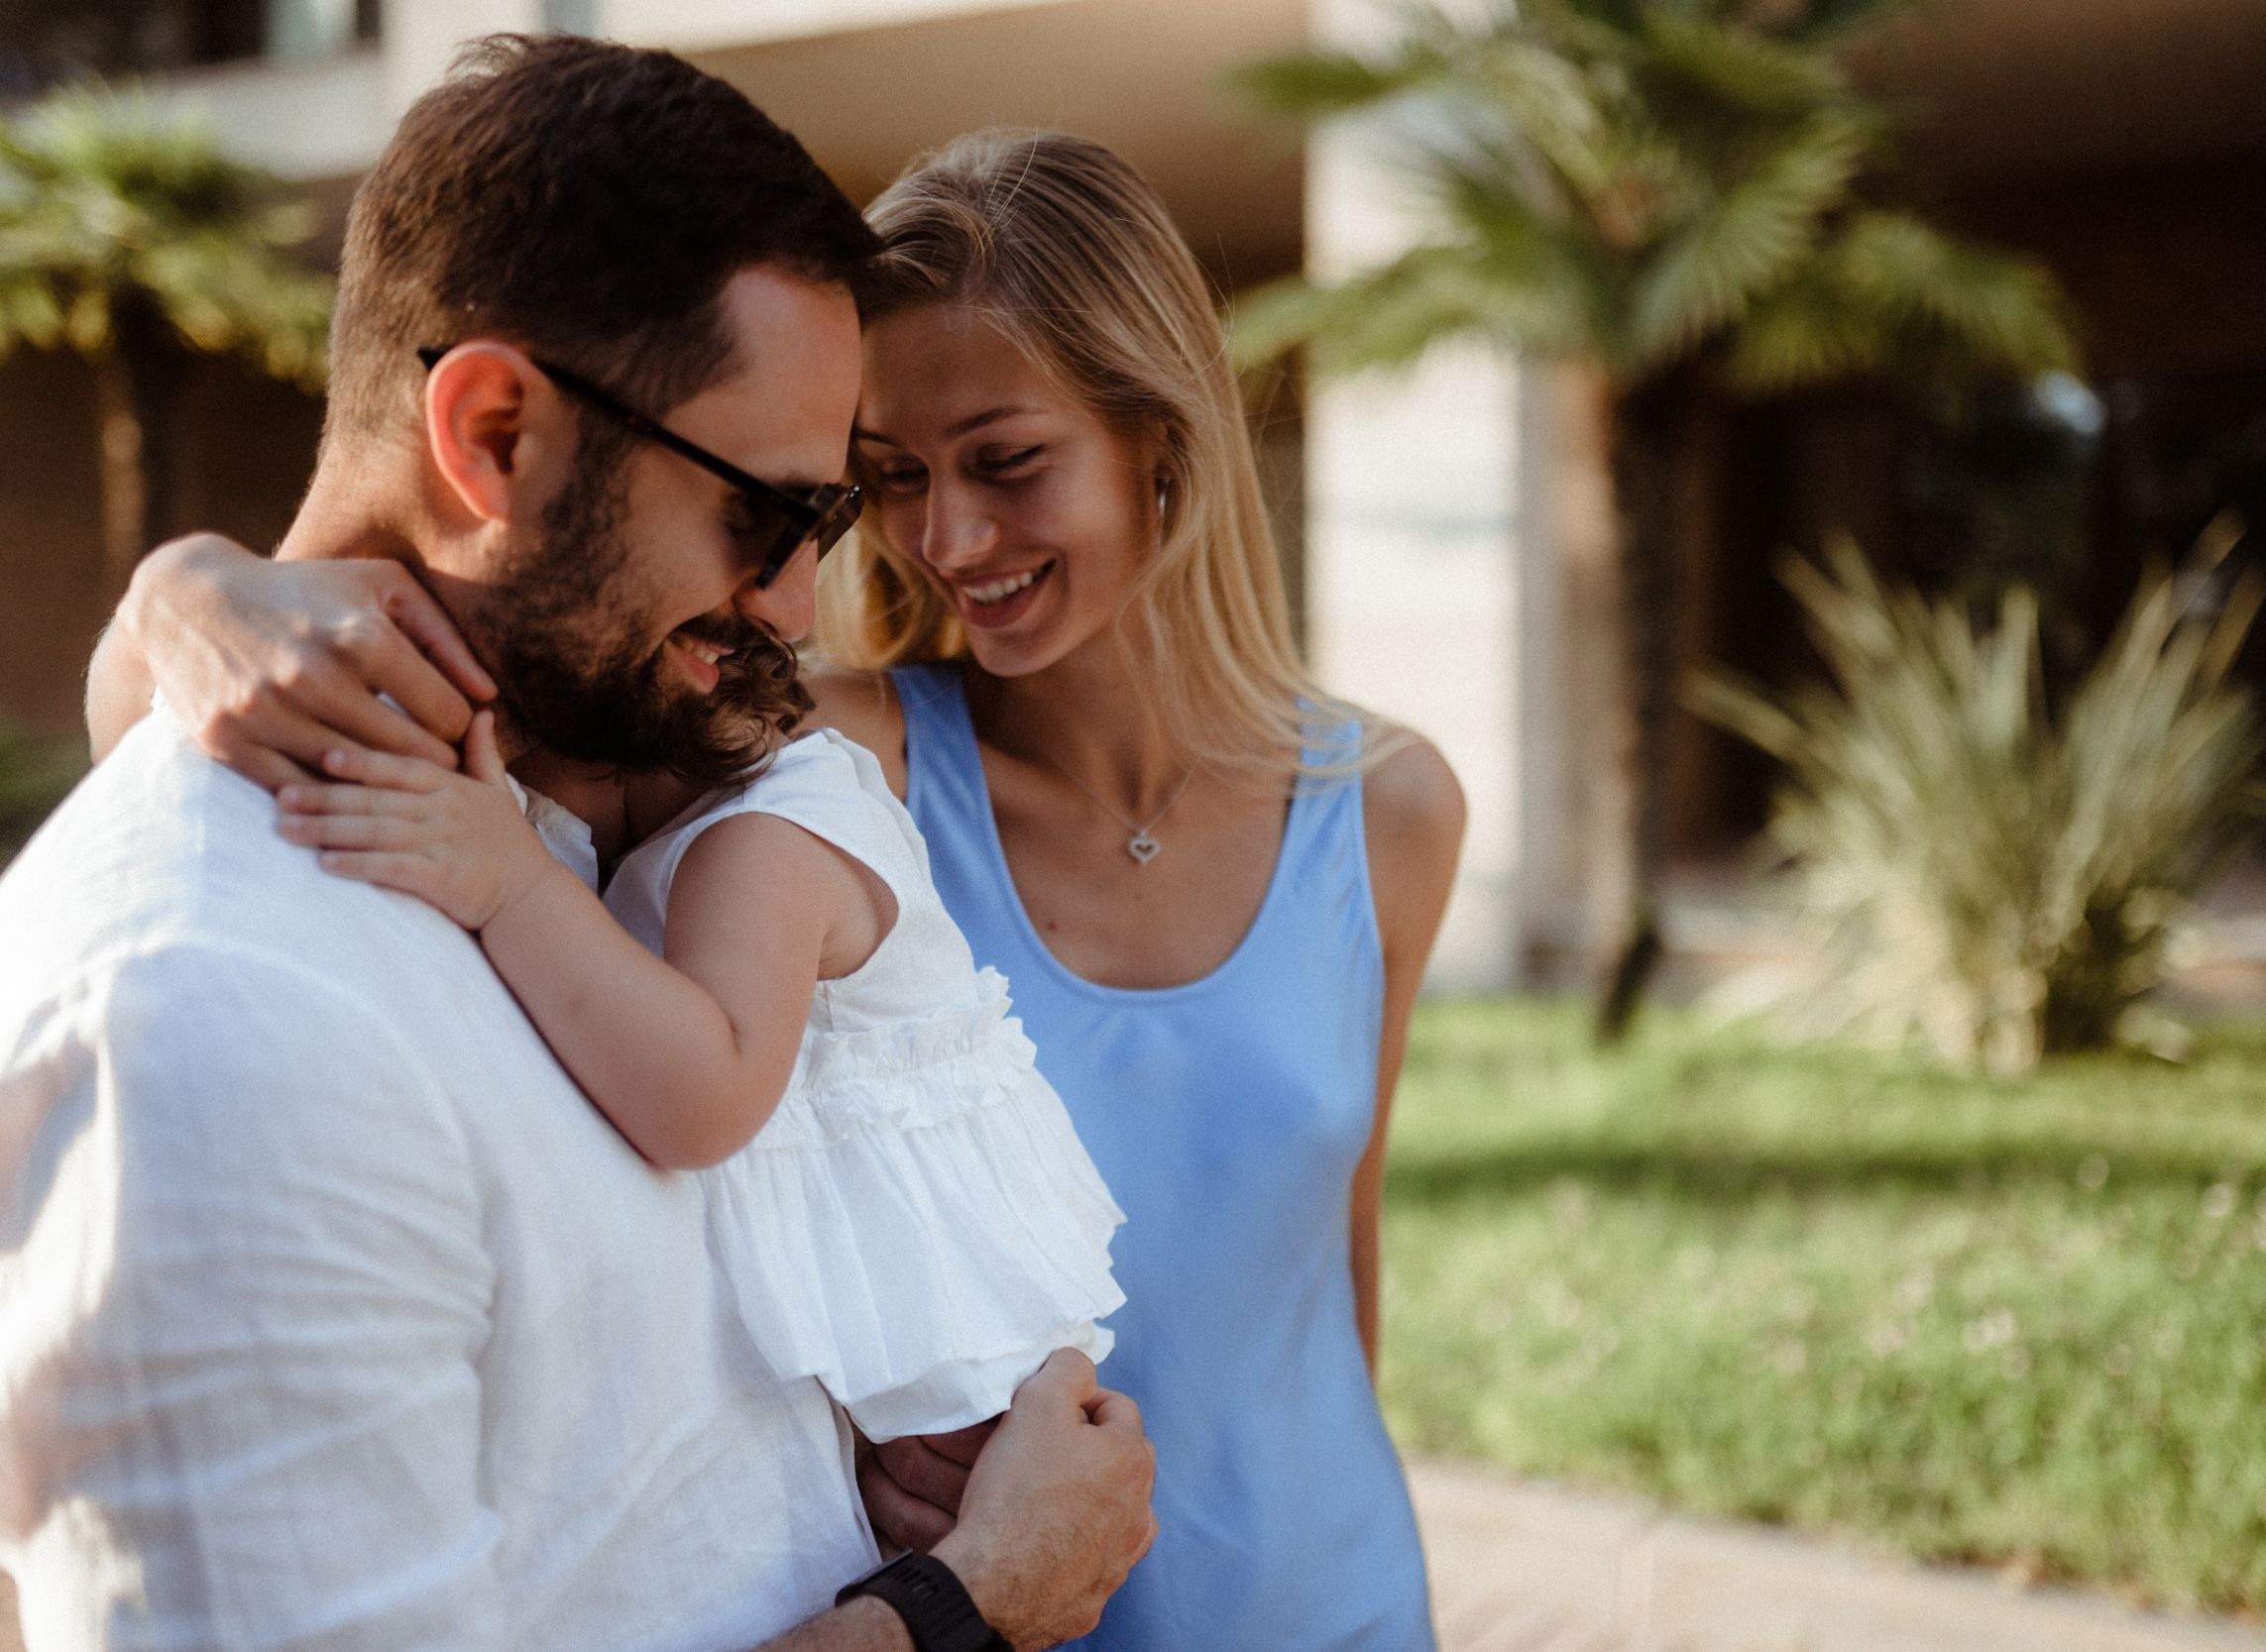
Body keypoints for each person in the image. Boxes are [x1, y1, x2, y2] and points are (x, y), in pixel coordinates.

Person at [88, 130, 1462, 1651]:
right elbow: (392, 680)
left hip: (1338, 1603)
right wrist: (181, 595)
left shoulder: (1389, 810)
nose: (949, 541)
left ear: (1162, 437)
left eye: (1008, 463)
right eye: (886, 485)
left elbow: (1330, 1264)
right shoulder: (818, 758)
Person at [7, 39, 1152, 1652]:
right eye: (767, 518)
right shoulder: (215, 1010)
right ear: (492, 435)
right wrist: (969, 1603)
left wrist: (182, 590)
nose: (794, 608)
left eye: (826, 529)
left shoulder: (543, 777)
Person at [269, 676, 1126, 1442]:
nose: (532, 819)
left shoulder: (760, 845)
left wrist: (515, 879)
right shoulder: (721, 824)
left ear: (617, 749)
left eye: (531, 792)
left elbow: (701, 1100)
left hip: (955, 1371)